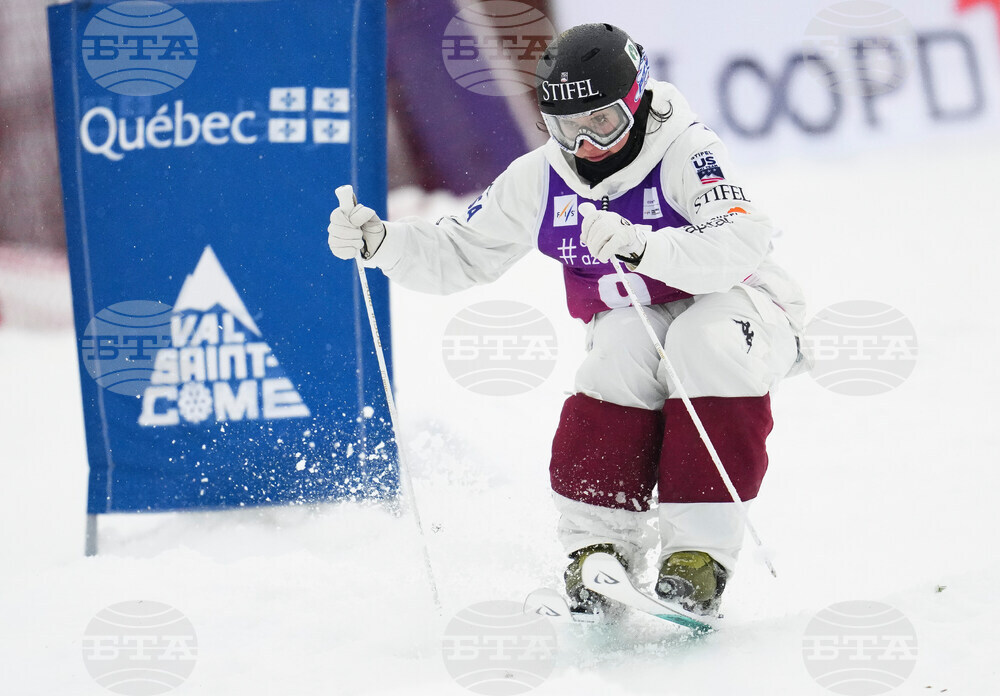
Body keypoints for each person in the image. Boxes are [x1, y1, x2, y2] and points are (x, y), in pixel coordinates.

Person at [327, 23, 806, 616]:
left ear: (638, 101)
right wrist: (382, 244)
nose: (586, 145)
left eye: (602, 122)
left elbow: (741, 242)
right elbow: (462, 253)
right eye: (566, 127)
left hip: (743, 309)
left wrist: (642, 246)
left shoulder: (687, 150)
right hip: (640, 319)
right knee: (617, 352)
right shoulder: (542, 177)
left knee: (699, 342)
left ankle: (698, 558)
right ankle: (598, 547)